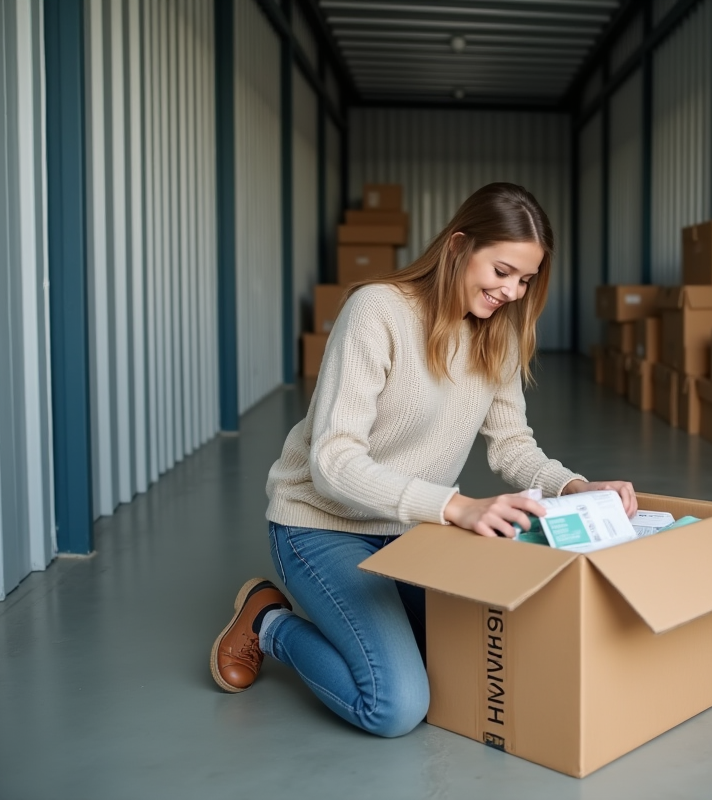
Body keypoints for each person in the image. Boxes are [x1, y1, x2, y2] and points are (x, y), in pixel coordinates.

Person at [209, 183, 636, 738]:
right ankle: (268, 621)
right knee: (397, 705)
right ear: (459, 246)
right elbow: (333, 462)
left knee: (470, 666)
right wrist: (455, 507)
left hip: (413, 531)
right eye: (502, 271)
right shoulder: (377, 311)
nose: (511, 291)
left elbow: (511, 445)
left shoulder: (498, 336)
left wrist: (573, 485)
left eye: (526, 280)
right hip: (320, 527)